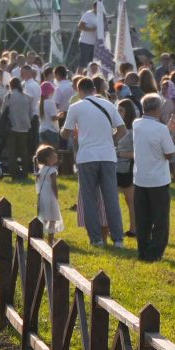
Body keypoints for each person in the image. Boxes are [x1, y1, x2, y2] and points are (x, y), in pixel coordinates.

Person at [64, 76, 126, 247]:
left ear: (79, 90)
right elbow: (122, 130)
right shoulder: (108, 104)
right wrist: (110, 141)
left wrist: (74, 129)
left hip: (86, 156)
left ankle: (96, 239)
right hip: (107, 156)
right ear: (94, 89)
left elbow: (64, 133)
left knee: (89, 199)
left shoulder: (75, 107)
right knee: (111, 198)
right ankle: (118, 239)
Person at [130, 94, 175, 264]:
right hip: (158, 179)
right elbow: (169, 153)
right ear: (157, 109)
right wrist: (170, 130)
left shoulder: (136, 124)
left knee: (142, 219)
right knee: (160, 219)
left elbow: (152, 137)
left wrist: (166, 129)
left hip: (140, 178)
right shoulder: (161, 129)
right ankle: (154, 252)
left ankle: (143, 250)